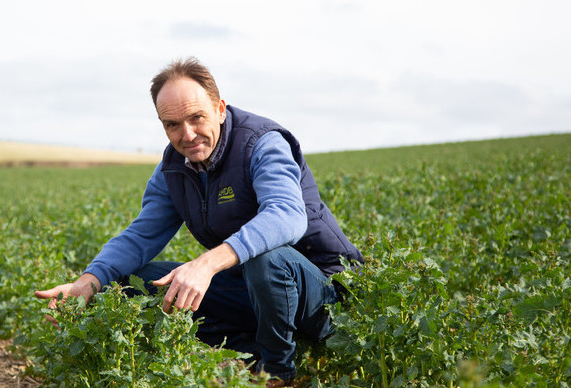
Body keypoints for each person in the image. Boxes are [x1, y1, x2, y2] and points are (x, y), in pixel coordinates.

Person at [35, 57, 363, 386]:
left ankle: (278, 373)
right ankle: (248, 355)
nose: (187, 135)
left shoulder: (262, 143)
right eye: (172, 124)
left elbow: (288, 215)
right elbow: (141, 236)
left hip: (323, 294)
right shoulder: (174, 168)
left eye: (196, 117)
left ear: (220, 109)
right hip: (252, 291)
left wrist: (206, 264)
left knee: (267, 257)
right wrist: (87, 284)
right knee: (133, 280)